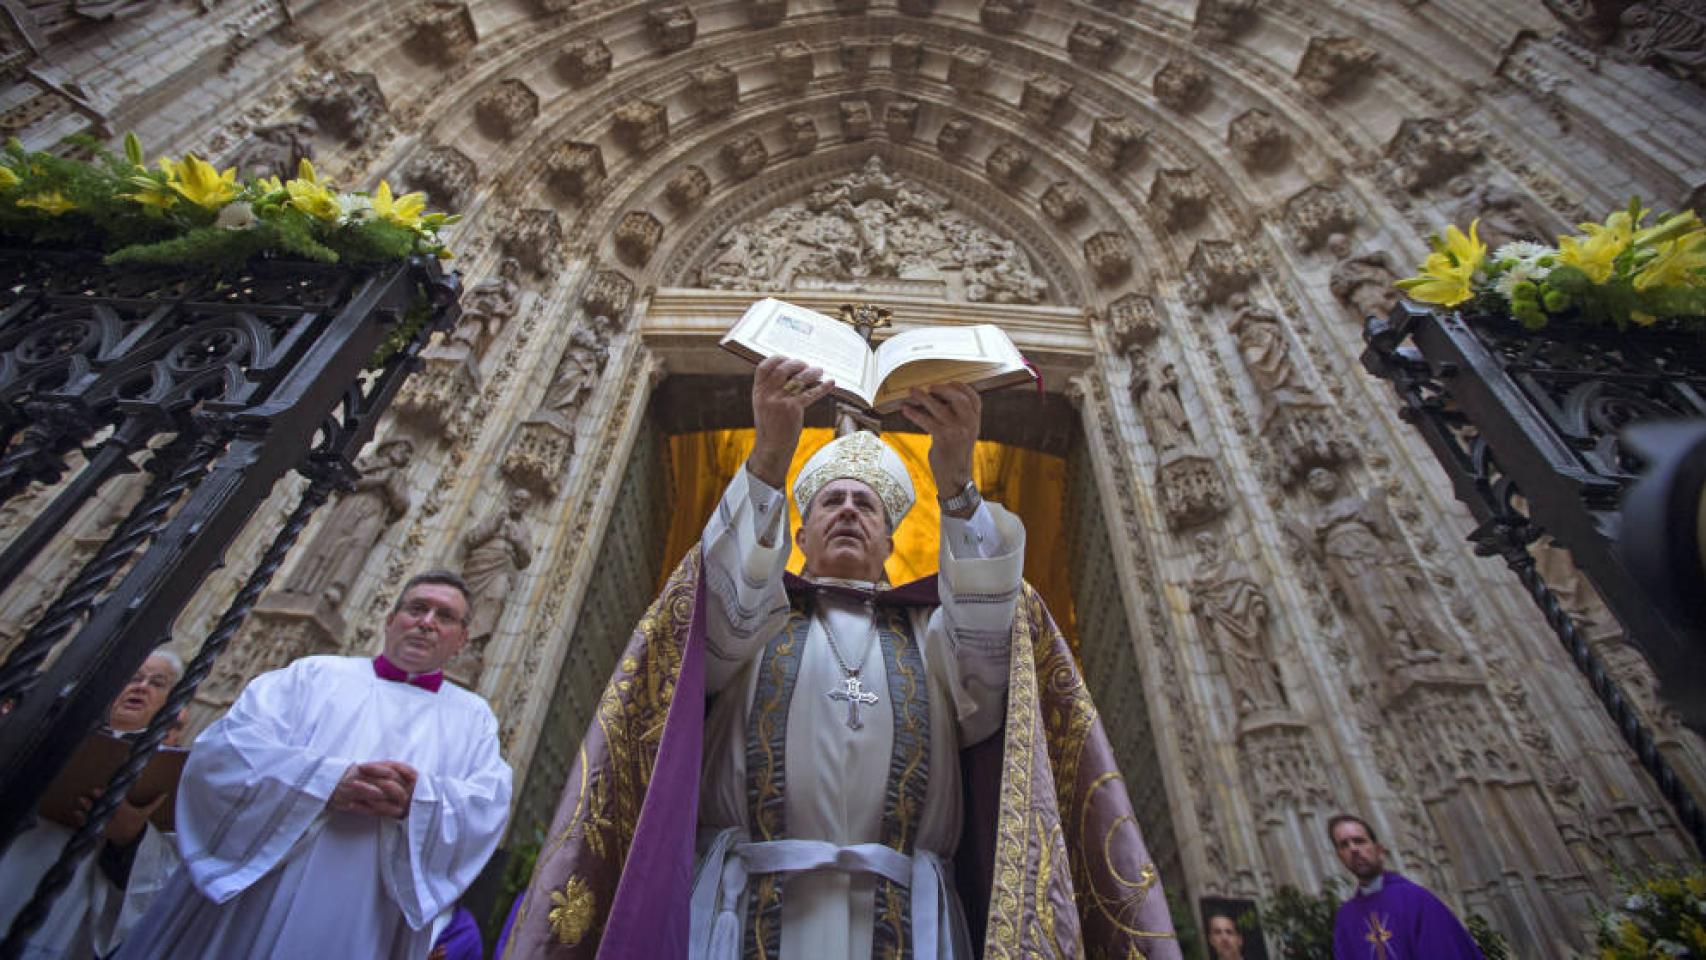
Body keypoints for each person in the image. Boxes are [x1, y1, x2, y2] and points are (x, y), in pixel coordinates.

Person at [504, 356, 1179, 958]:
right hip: (744, 908)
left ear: (892, 540)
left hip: (908, 914)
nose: (850, 511)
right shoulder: (756, 623)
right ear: (798, 531)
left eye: (866, 505)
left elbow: (991, 656)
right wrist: (770, 451)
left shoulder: (932, 635)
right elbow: (716, 609)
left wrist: (956, 482)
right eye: (833, 501)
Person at [115, 571, 513, 960]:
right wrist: (327, 781)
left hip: (367, 904)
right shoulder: (313, 674)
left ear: (462, 639)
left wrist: (418, 800)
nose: (426, 623)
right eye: (417, 608)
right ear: (390, 620)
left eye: (444, 617)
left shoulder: (473, 718)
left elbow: (486, 804)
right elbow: (227, 749)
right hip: (260, 887)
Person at [0, 648, 184, 959]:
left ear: (173, 701)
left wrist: (130, 838)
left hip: (64, 912)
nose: (142, 687)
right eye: (134, 678)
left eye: (157, 682)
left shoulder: (170, 773)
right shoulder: (39, 730)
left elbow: (162, 880)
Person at [1329, 814, 1482, 959]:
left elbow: (1446, 952)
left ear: (1379, 850)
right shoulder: (1346, 919)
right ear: (1340, 856)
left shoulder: (1416, 900)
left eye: (1359, 841)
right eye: (1344, 845)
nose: (1353, 849)